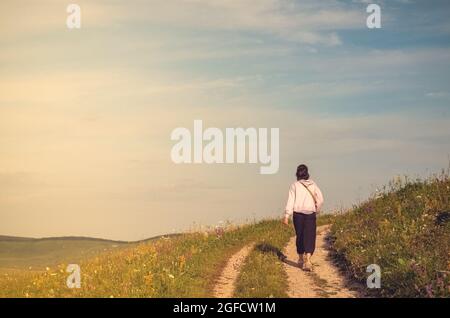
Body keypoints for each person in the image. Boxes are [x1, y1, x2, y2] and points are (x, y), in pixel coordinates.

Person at [283, 164, 324, 271]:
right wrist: (317, 210)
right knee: (310, 236)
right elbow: (320, 199)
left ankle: (301, 259)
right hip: (310, 213)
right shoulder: (313, 184)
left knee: (300, 235)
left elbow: (290, 201)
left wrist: (287, 216)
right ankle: (308, 261)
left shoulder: (294, 185)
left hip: (298, 215)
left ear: (297, 174)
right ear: (307, 173)